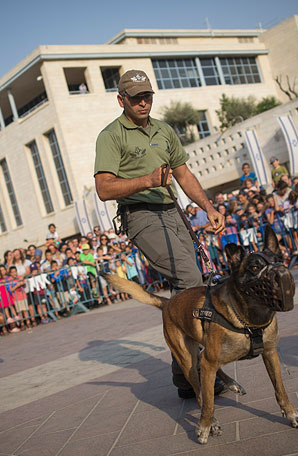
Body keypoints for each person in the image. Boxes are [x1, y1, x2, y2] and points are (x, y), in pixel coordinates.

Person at [94, 69, 225, 399]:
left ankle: (184, 372)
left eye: (147, 95)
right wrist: (147, 181)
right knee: (190, 277)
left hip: (173, 213)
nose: (142, 101)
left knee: (189, 289)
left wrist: (208, 208)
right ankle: (197, 367)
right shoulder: (111, 135)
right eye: (135, 96)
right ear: (120, 100)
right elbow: (104, 188)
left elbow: (184, 173)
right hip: (140, 215)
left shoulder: (165, 130)